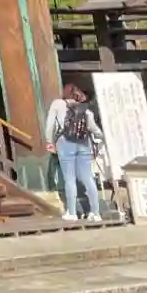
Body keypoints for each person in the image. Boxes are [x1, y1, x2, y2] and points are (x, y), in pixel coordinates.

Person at [45, 84, 106, 222]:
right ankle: (95, 213)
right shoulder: (84, 109)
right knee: (88, 178)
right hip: (84, 143)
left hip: (65, 143)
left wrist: (49, 142)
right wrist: (102, 138)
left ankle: (72, 213)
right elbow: (94, 129)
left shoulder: (57, 104)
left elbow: (50, 125)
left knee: (69, 179)